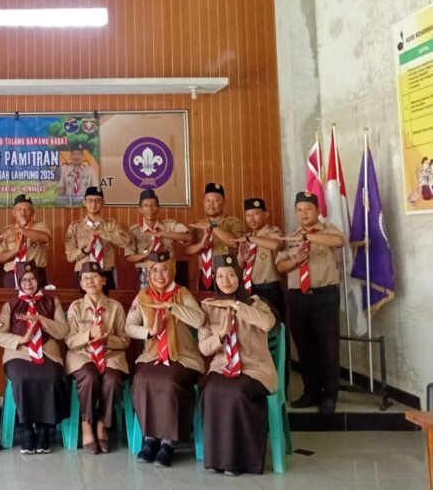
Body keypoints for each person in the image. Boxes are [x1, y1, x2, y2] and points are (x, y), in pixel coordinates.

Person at [198, 255, 278, 476]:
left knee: (237, 391)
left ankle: (241, 460)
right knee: (212, 390)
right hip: (222, 367)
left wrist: (236, 305)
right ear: (214, 279)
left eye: (231, 275)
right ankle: (217, 458)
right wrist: (221, 335)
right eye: (220, 276)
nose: (226, 281)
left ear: (240, 277)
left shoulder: (256, 303)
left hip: (255, 369)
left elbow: (268, 323)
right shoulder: (208, 307)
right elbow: (204, 348)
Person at [125, 252, 206, 467]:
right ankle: (150, 439)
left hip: (183, 357)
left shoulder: (182, 294)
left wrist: (172, 307)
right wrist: (149, 332)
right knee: (142, 380)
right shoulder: (143, 296)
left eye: (164, 269)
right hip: (152, 356)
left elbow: (199, 320)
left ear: (173, 270)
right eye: (154, 270)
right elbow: (129, 327)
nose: (159, 275)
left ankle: (168, 443)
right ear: (148, 273)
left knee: (169, 382)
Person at [275, 190, 345, 414]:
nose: (303, 213)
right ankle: (311, 392)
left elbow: (339, 241)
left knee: (328, 348)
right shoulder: (291, 236)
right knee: (304, 348)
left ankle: (330, 395)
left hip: (325, 295)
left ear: (317, 210)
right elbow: (280, 266)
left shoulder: (328, 230)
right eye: (299, 210)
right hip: (298, 297)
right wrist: (295, 260)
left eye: (308, 209)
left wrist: (308, 238)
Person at [0, 262, 69, 453]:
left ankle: (44, 429)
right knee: (22, 377)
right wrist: (22, 339)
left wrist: (41, 319)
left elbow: (63, 331)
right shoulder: (11, 305)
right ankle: (27, 429)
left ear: (39, 280)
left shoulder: (52, 302)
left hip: (47, 351)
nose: (28, 283)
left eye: (32, 278)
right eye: (24, 280)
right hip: (19, 353)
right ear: (18, 282)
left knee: (50, 375)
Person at [64, 260, 130, 454]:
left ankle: (102, 423)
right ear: (81, 283)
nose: (90, 281)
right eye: (85, 278)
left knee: (113, 380)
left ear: (104, 280)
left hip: (110, 354)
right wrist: (89, 335)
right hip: (82, 355)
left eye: (94, 277)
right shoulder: (76, 307)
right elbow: (69, 341)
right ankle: (86, 423)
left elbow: (125, 340)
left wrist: (107, 339)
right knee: (89, 377)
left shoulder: (116, 307)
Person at [64, 186, 130, 290]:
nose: (94, 204)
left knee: (108, 300)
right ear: (84, 203)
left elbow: (125, 242)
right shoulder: (75, 227)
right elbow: (70, 256)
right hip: (83, 274)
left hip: (105, 273)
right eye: (90, 200)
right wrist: (85, 250)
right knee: (82, 300)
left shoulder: (111, 224)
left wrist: (103, 234)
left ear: (103, 202)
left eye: (97, 201)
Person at [185, 183, 246, 291]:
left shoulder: (233, 222)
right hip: (205, 275)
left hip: (227, 276)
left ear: (224, 202)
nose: (211, 204)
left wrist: (212, 226)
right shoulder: (198, 224)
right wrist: (200, 245)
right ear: (203, 202)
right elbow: (187, 250)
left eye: (216, 200)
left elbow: (236, 243)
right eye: (208, 200)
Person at [124, 189, 191, 288]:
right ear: (140, 209)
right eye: (146, 205)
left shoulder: (169, 225)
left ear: (158, 208)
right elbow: (129, 257)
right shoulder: (134, 231)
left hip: (169, 275)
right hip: (146, 276)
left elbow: (188, 237)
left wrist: (163, 234)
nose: (150, 209)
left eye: (153, 205)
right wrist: (146, 254)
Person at [233, 198, 285, 317]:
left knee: (274, 322)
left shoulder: (272, 232)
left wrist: (250, 238)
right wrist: (242, 259)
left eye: (255, 214)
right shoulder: (247, 237)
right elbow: (240, 267)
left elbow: (276, 245)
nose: (251, 219)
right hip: (249, 288)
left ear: (265, 215)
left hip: (269, 289)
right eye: (248, 215)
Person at [0, 194, 52, 288]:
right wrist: (15, 251)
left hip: (35, 274)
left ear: (33, 212)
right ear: (14, 212)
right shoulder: (7, 231)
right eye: (19, 209)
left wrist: (19, 230)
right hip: (12, 275)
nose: (23, 213)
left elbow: (46, 238)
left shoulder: (40, 226)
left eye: (26, 209)